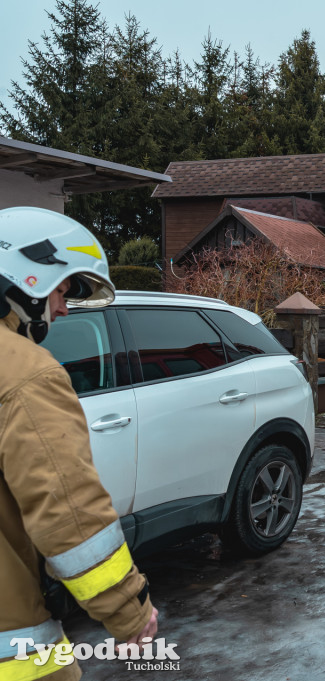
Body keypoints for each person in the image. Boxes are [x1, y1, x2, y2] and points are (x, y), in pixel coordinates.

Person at [0, 207, 157, 680]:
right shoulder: (26, 373)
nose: (64, 308)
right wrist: (130, 614)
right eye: (63, 290)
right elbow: (68, 516)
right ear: (27, 282)